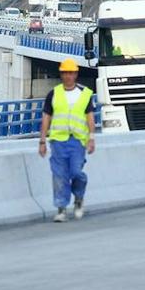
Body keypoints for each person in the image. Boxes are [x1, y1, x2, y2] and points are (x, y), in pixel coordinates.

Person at [38, 58, 96, 223]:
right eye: (65, 73)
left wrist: (91, 138)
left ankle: (78, 197)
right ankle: (61, 208)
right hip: (58, 140)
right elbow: (46, 118)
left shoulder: (85, 94)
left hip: (77, 141)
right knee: (59, 175)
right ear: (61, 74)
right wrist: (42, 141)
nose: (68, 76)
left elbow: (90, 118)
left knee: (76, 172)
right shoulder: (54, 94)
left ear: (76, 74)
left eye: (71, 73)